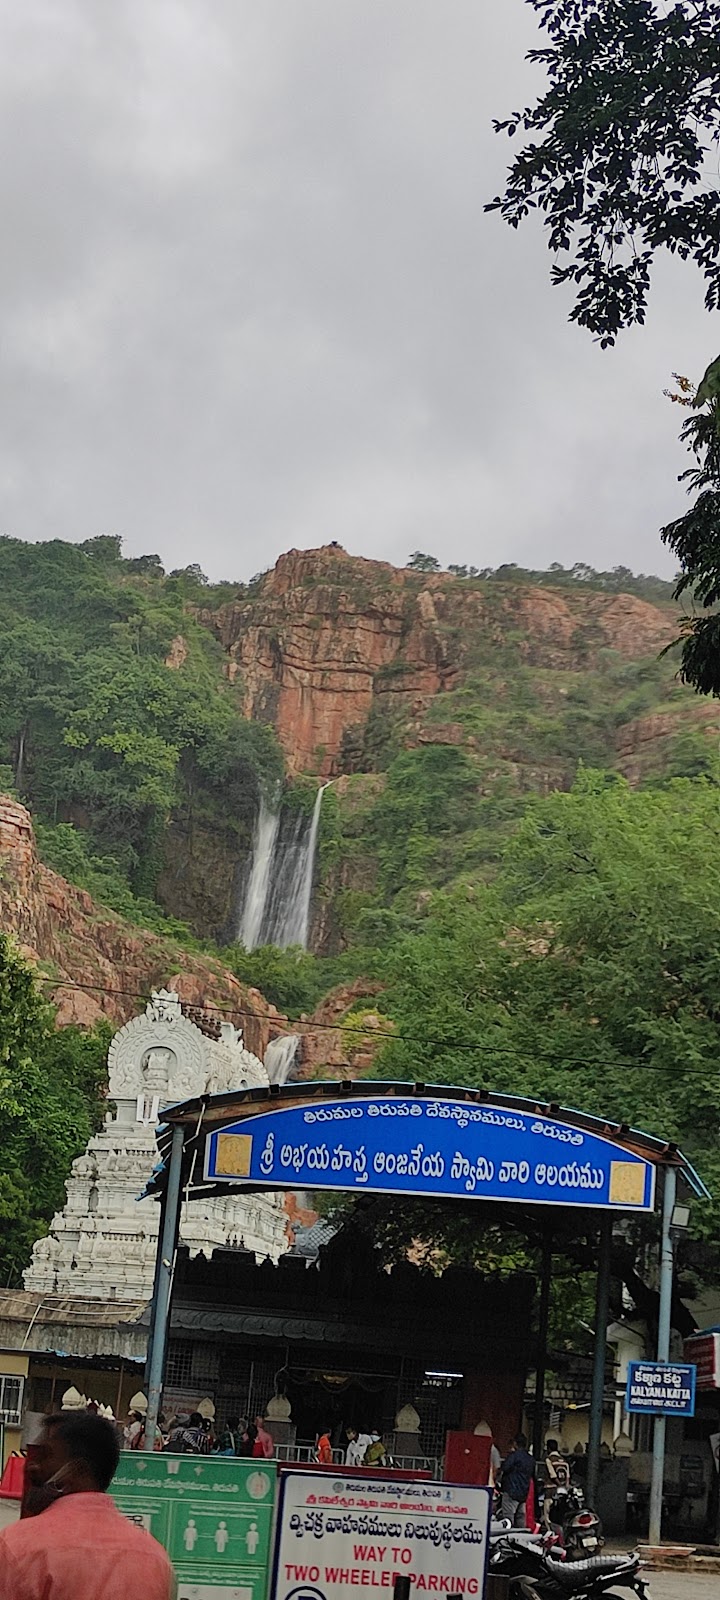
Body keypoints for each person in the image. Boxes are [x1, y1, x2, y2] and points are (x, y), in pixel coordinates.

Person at [0, 1410, 173, 1599]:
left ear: (78, 1471)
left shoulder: (17, 1547)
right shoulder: (155, 1558)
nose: (32, 1466)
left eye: (44, 1456)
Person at [499, 1433, 534, 1528]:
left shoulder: (514, 1456)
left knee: (508, 1518)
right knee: (521, 1517)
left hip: (511, 1490)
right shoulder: (530, 1459)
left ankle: (507, 1538)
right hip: (523, 1492)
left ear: (515, 1443)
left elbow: (505, 1467)